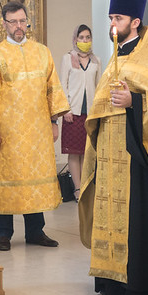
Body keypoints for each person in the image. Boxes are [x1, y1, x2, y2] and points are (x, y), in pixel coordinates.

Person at [78, 0, 148, 295]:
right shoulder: (114, 55)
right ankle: (113, 281)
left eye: (118, 18)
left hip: (136, 152)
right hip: (110, 154)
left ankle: (142, 283)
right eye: (110, 17)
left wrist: (134, 101)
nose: (113, 24)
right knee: (110, 212)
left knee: (137, 217)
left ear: (135, 21)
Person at [0, 1, 70, 251]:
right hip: (8, 132)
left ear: (28, 21)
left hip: (38, 130)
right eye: (13, 21)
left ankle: (35, 231)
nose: (18, 26)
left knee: (34, 178)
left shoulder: (42, 52)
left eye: (22, 21)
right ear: (4, 24)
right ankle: (2, 234)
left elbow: (52, 89)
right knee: (7, 178)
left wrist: (54, 121)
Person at [59, 24, 101, 201]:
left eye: (87, 37)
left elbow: (99, 87)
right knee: (74, 152)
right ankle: (77, 189)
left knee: (87, 151)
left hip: (89, 112)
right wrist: (65, 109)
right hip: (73, 113)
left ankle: (85, 187)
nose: (85, 41)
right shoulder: (68, 59)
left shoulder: (96, 60)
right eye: (81, 37)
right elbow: (62, 85)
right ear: (75, 39)